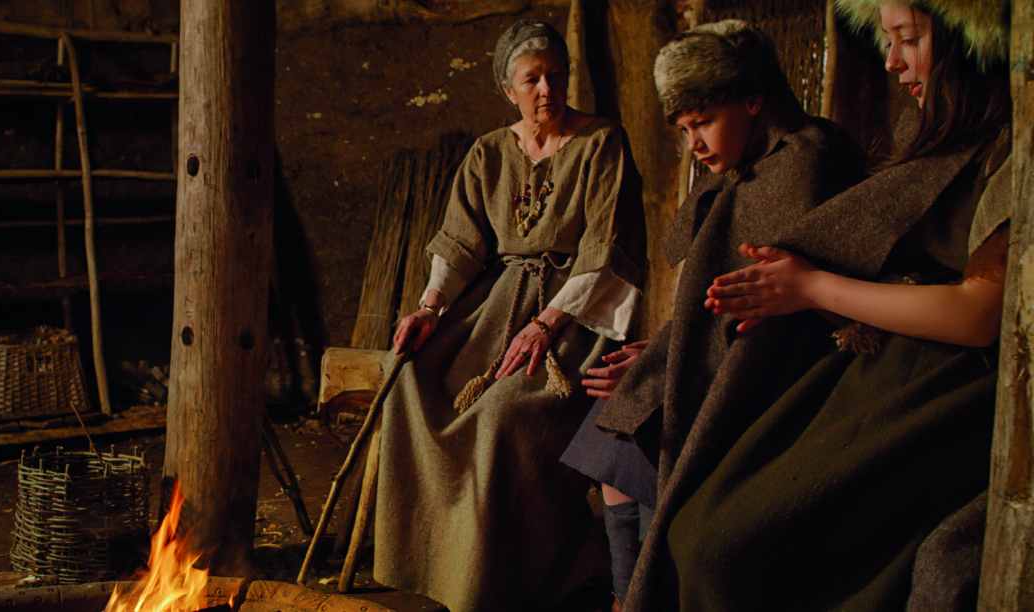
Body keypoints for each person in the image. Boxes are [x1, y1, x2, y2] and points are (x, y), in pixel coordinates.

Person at [609, 1, 1012, 610]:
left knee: (721, 546)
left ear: (966, 42)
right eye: (888, 39)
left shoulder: (811, 160)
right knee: (657, 485)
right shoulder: (932, 134)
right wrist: (669, 351)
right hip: (879, 364)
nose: (891, 60)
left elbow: (981, 312)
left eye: (908, 37)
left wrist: (811, 287)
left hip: (943, 389)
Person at [559, 20, 868, 610]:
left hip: (786, 373)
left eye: (702, 122)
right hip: (721, 354)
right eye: (683, 129)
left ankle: (652, 592)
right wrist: (660, 354)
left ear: (754, 97)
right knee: (616, 432)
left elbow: (774, 319)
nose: (694, 145)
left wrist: (672, 367)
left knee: (653, 434)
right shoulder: (743, 170)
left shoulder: (805, 161)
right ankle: (632, 595)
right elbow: (711, 303)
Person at [373, 20, 646, 612]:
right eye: (533, 79)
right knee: (407, 381)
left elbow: (605, 251)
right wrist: (428, 307)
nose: (547, 88)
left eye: (556, 75)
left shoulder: (602, 143)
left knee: (501, 419)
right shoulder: (489, 152)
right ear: (508, 89)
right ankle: (439, 565)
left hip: (572, 317)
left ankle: (512, 578)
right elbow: (460, 243)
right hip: (494, 307)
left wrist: (547, 324)